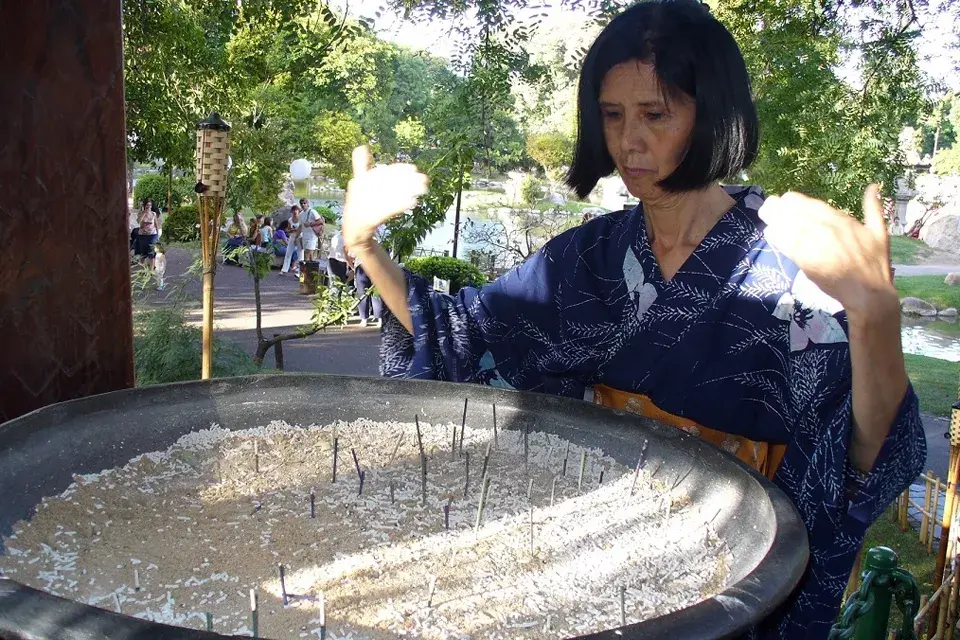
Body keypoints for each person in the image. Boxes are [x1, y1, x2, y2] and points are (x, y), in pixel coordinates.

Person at [338, 1, 925, 638]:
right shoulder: (588, 260)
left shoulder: (790, 274)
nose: (628, 141)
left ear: (713, 115)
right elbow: (460, 337)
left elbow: (863, 454)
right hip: (592, 557)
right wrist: (365, 247)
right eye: (612, 115)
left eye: (655, 114)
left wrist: (874, 319)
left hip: (726, 581)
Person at [135, 199, 161, 270]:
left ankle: (151, 270)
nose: (148, 207)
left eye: (150, 205)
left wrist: (158, 234)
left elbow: (156, 224)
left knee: (152, 252)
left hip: (153, 234)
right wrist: (144, 213)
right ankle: (143, 270)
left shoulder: (153, 214)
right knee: (143, 254)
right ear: (144, 205)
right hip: (143, 235)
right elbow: (138, 221)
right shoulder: (141, 213)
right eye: (147, 205)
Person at [299, 198, 324, 262]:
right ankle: (311, 269)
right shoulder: (301, 214)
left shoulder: (312, 211)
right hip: (305, 235)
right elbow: (300, 226)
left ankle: (306, 269)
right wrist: (297, 236)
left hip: (312, 235)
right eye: (301, 203)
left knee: (308, 252)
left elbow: (320, 221)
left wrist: (310, 223)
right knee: (308, 254)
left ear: (308, 204)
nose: (303, 205)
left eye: (305, 203)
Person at [280, 204, 302, 276]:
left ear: (298, 211)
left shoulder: (301, 218)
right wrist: (291, 230)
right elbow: (288, 229)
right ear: (291, 212)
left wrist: (297, 230)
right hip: (292, 237)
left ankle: (300, 271)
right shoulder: (290, 220)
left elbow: (302, 229)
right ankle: (284, 269)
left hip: (300, 237)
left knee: (300, 254)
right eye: (293, 210)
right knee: (288, 253)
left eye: (296, 210)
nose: (295, 212)